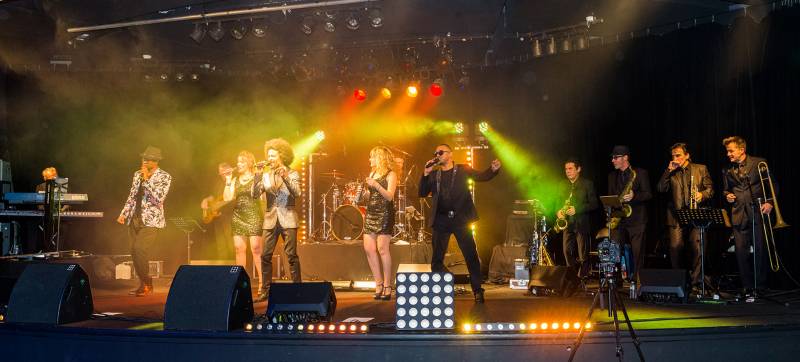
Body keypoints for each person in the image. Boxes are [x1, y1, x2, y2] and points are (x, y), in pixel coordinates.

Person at [419, 144, 501, 303]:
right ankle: (443, 286)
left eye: (440, 152)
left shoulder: (463, 170)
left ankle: (477, 290)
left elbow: (482, 176)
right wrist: (425, 174)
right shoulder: (434, 174)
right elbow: (422, 193)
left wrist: (493, 169)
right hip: (441, 220)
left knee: (471, 256)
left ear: (450, 154)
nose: (437, 155)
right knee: (436, 260)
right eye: (435, 153)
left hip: (460, 219)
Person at [656, 143, 713, 291]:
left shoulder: (701, 168)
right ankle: (679, 281)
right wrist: (668, 170)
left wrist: (702, 194)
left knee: (698, 247)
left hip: (696, 214)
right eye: (673, 156)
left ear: (687, 155)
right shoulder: (671, 171)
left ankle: (695, 282)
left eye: (678, 155)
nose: (675, 158)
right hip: (676, 216)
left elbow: (710, 189)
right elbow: (661, 188)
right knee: (675, 248)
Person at [117, 146, 172, 297]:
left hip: (152, 220)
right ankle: (144, 284)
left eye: (147, 159)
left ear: (155, 162)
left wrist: (147, 180)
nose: (144, 161)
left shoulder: (164, 177)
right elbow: (132, 196)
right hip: (134, 218)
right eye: (143, 158)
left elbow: (158, 199)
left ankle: (147, 282)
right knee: (133, 252)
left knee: (139, 249)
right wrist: (124, 213)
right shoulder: (137, 174)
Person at [722, 136, 773, 296]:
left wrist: (770, 202)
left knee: (760, 249)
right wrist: (727, 195)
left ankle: (761, 285)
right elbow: (726, 190)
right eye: (727, 151)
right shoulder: (727, 169)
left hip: (758, 211)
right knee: (740, 251)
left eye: (731, 151)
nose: (728, 154)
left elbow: (771, 184)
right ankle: (747, 285)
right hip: (738, 214)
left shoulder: (759, 163)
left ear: (741, 150)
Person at [252, 138, 302, 302]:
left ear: (282, 155)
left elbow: (297, 193)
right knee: (265, 255)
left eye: (273, 155)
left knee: (291, 256)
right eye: (269, 155)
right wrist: (257, 176)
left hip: (288, 217)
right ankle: (265, 290)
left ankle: (297, 290)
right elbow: (254, 195)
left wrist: (286, 176)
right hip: (270, 219)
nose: (270, 158)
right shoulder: (265, 175)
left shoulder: (293, 173)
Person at [607, 145, 651, 282]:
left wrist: (634, 195)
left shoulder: (640, 173)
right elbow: (610, 197)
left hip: (637, 219)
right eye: (612, 158)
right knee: (614, 251)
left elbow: (648, 194)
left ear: (625, 157)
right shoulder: (611, 176)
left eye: (615, 157)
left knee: (638, 254)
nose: (613, 160)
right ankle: (616, 282)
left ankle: (638, 283)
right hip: (619, 219)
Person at [223, 151, 264, 293]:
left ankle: (262, 283)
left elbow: (257, 195)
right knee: (239, 249)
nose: (238, 164)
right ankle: (241, 283)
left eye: (242, 162)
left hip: (253, 215)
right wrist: (228, 180)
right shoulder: (234, 180)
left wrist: (257, 177)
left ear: (249, 163)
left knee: (256, 249)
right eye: (238, 161)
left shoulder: (256, 177)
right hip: (238, 216)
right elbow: (227, 198)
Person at [361, 146, 398, 300]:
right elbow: (372, 196)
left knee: (382, 248)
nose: (370, 160)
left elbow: (389, 196)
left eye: (372, 157)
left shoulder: (391, 174)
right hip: (371, 212)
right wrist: (366, 193)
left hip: (384, 213)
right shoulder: (372, 173)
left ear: (380, 158)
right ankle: (378, 284)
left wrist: (375, 185)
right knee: (369, 248)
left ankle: (388, 286)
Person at [556, 158, 598, 279]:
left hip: (581, 223)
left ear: (578, 169)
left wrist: (577, 209)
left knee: (583, 255)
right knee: (566, 251)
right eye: (566, 169)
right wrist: (558, 212)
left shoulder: (587, 184)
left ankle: (582, 277)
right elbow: (557, 203)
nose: (567, 171)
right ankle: (573, 276)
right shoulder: (562, 184)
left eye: (570, 168)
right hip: (567, 224)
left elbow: (594, 204)